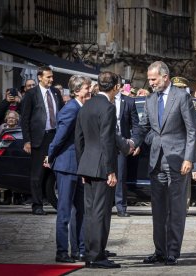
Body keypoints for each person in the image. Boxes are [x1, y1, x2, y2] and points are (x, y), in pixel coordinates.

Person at [137, 61, 196, 266]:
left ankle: (172, 251)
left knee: (176, 208)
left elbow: (192, 130)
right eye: (149, 79)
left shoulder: (182, 97)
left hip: (178, 160)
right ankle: (160, 250)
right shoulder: (150, 99)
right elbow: (144, 126)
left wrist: (189, 158)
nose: (151, 83)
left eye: (153, 79)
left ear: (165, 77)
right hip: (156, 161)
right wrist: (133, 142)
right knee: (158, 209)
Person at [75, 71, 132, 269]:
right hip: (101, 166)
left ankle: (90, 253)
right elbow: (107, 141)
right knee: (100, 213)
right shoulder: (107, 107)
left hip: (88, 165)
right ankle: (97, 256)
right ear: (116, 87)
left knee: (90, 212)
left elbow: (79, 139)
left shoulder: (86, 104)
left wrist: (81, 167)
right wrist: (111, 171)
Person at [45, 75, 92, 264]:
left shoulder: (82, 107)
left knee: (81, 210)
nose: (90, 91)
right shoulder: (70, 109)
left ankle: (80, 250)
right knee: (64, 210)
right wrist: (50, 155)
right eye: (87, 88)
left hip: (80, 167)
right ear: (77, 90)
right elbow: (59, 137)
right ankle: (62, 251)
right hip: (66, 166)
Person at [21, 66, 64, 215]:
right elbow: (25, 118)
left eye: (52, 77)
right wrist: (27, 140)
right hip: (39, 138)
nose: (51, 80)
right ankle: (37, 205)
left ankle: (56, 203)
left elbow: (62, 114)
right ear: (40, 77)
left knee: (54, 172)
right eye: (48, 77)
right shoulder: (31, 94)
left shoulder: (56, 92)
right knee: (37, 174)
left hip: (55, 137)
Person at [114, 76, 141, 217]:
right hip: (105, 144)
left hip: (122, 145)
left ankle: (121, 207)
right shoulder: (102, 100)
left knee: (120, 176)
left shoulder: (129, 101)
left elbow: (136, 125)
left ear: (118, 85)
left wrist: (134, 142)